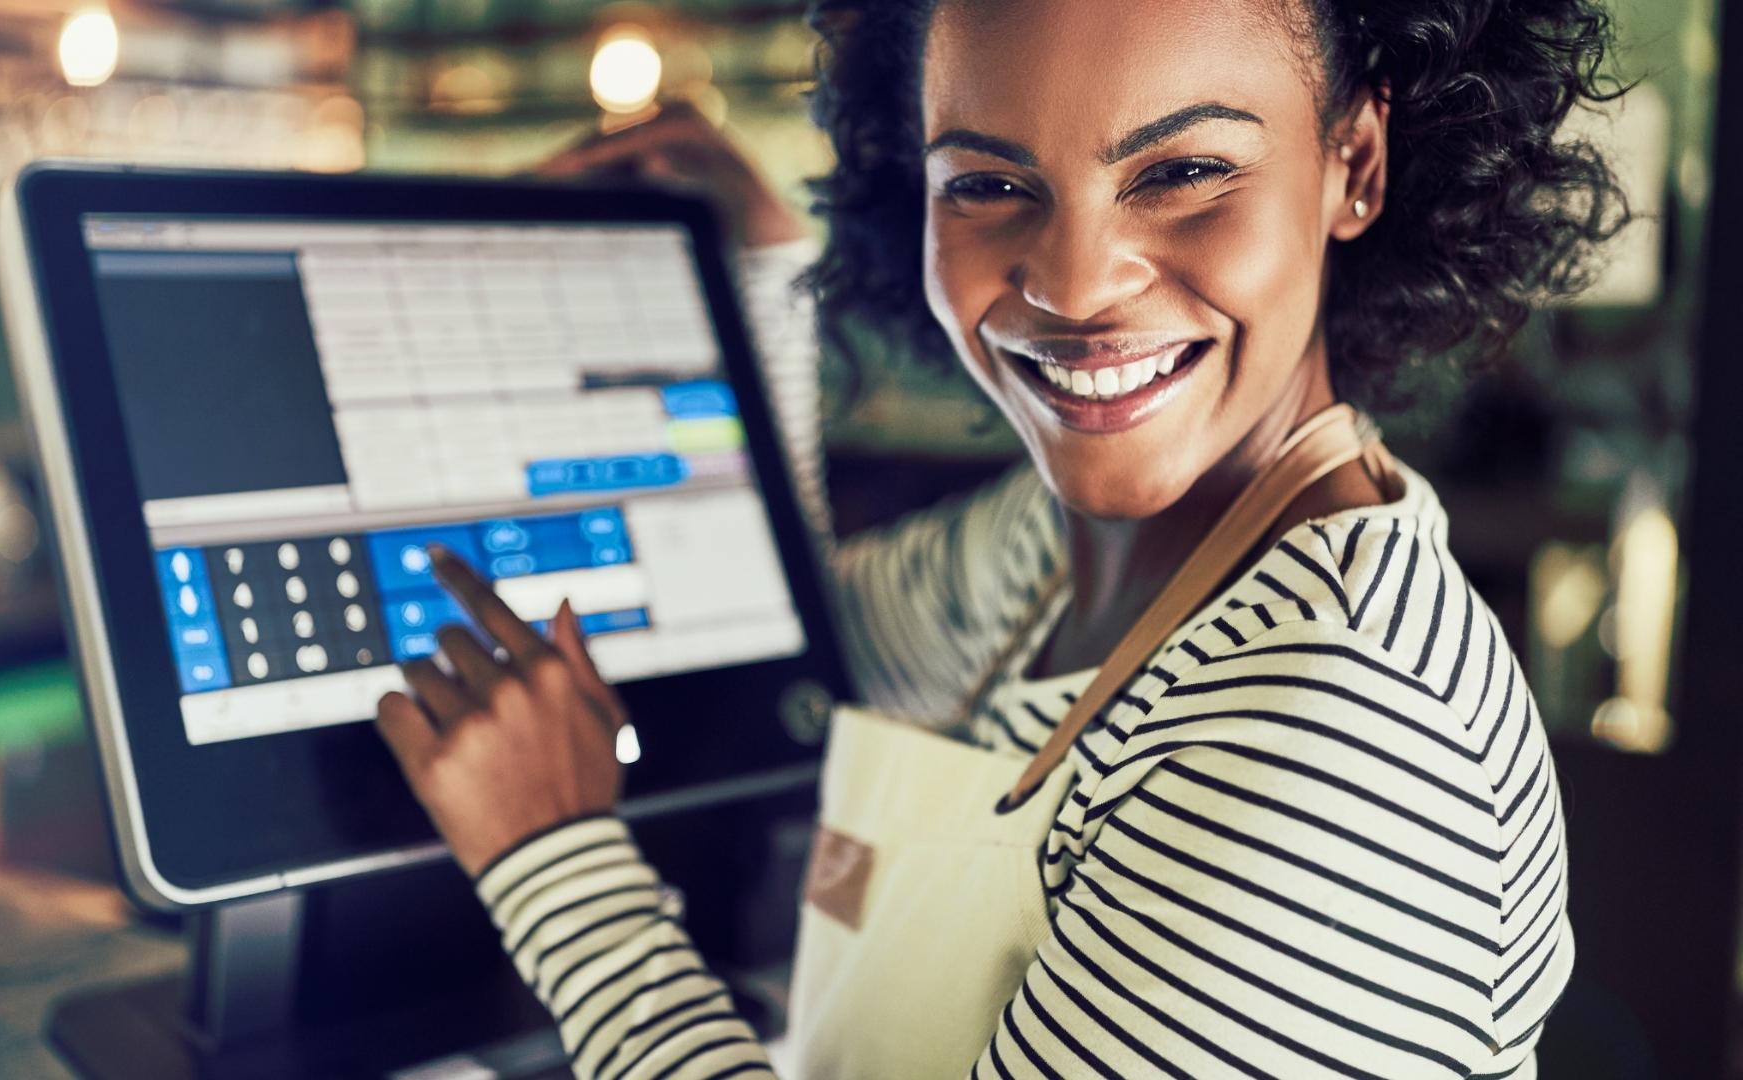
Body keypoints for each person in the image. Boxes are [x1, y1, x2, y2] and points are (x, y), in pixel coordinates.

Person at [371, 0, 1628, 1075]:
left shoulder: (1340, 737)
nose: (1075, 285)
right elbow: (802, 655)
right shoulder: (1064, 555)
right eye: (986, 183)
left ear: (1355, 162)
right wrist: (761, 280)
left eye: (1181, 172)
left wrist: (558, 871)